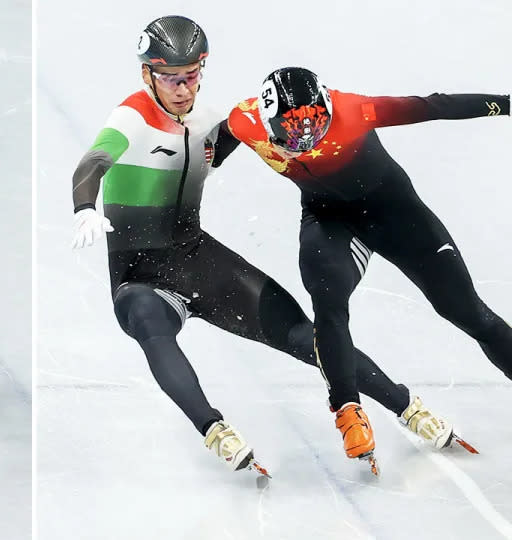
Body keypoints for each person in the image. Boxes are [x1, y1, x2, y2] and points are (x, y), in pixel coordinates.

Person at [72, 16, 462, 477]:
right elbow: (93, 161)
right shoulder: (131, 116)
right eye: (169, 78)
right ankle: (214, 429)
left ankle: (406, 406)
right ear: (146, 75)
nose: (181, 88)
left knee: (304, 334)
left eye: (191, 76)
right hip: (139, 275)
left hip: (197, 258)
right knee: (147, 322)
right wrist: (83, 205)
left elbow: (272, 131)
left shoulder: (213, 122)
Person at [225, 66, 507, 465]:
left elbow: (432, 106)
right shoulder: (244, 120)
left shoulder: (353, 110)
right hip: (330, 221)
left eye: (314, 128)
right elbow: (222, 132)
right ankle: (347, 409)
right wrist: (208, 158)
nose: (304, 141)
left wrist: (507, 105)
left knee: (467, 313)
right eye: (291, 134)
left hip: (396, 216)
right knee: (327, 302)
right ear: (267, 122)